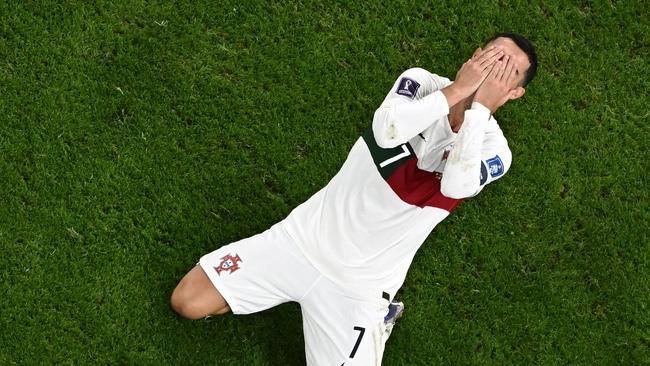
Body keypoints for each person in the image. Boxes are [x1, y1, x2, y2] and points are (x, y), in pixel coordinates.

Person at [171, 32, 538, 365]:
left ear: (515, 92)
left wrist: (480, 111)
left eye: (508, 72)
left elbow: (456, 186)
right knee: (187, 302)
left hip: (358, 290)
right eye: (493, 57)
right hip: (299, 240)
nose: (495, 71)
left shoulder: (495, 150)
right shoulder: (422, 83)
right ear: (475, 55)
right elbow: (387, 129)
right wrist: (457, 92)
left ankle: (379, 320)